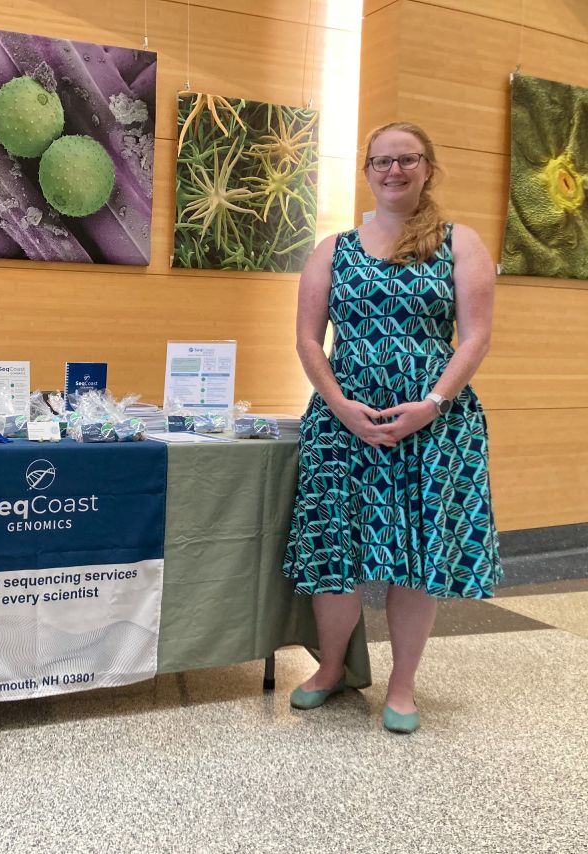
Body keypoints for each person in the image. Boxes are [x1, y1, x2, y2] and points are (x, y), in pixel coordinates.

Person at [282, 121, 501, 734]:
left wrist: (431, 403)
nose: (393, 170)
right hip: (341, 420)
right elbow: (307, 338)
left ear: (428, 167)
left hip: (435, 421)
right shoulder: (333, 249)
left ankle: (402, 686)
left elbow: (475, 337)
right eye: (381, 161)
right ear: (368, 170)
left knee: (417, 555)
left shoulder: (459, 243)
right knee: (335, 549)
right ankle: (331, 669)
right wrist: (341, 405)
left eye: (407, 160)